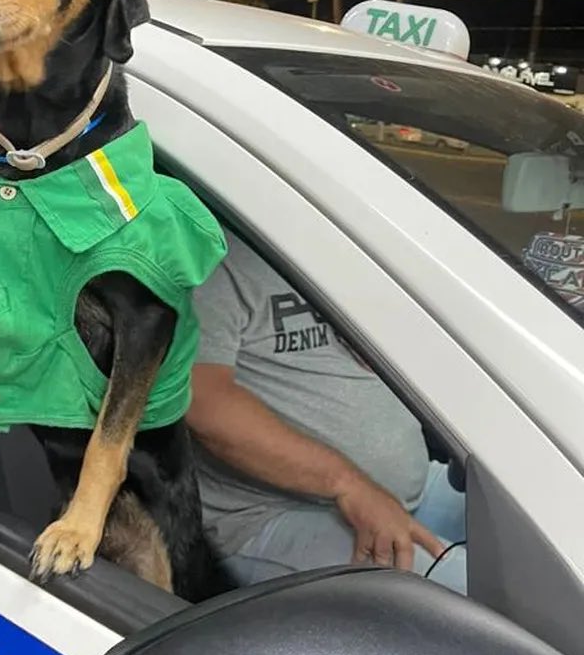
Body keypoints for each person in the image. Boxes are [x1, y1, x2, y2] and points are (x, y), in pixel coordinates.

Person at [186, 228, 467, 593]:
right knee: (486, 601)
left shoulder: (322, 240)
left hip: (406, 487)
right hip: (270, 516)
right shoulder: (217, 262)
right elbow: (205, 404)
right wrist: (349, 485)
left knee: (539, 549)